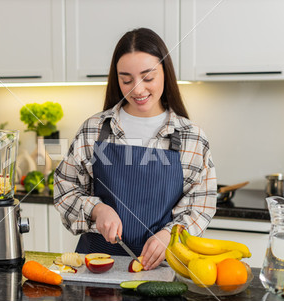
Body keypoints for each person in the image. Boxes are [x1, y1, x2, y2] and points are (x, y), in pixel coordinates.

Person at [53, 28, 217, 271]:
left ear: (165, 73)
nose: (137, 90)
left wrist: (169, 236)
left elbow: (200, 206)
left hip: (164, 266)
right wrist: (98, 210)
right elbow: (64, 189)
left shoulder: (191, 136)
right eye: (126, 79)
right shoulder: (94, 129)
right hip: (96, 266)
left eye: (148, 77)